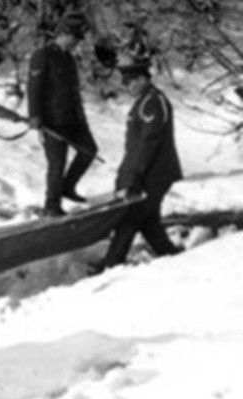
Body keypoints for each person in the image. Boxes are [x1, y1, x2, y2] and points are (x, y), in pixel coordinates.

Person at [94, 56, 184, 271]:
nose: (128, 86)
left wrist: (134, 176)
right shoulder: (145, 101)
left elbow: (148, 144)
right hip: (148, 172)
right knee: (147, 220)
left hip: (155, 173)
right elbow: (136, 146)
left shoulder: (153, 101)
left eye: (132, 81)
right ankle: (170, 254)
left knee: (131, 217)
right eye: (126, 82)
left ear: (144, 78)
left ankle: (112, 264)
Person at [27, 10, 96, 216]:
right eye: (75, 37)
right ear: (64, 33)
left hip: (73, 119)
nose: (76, 43)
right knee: (57, 164)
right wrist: (34, 116)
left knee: (89, 150)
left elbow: (73, 92)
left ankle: (67, 187)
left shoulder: (68, 59)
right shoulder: (43, 56)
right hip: (52, 122)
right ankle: (52, 205)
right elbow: (34, 88)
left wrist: (81, 118)